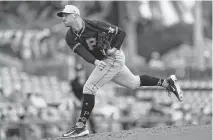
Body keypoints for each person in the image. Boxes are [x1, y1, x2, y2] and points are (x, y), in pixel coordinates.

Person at [56, 5, 183, 138]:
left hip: (112, 58)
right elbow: (82, 52)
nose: (63, 18)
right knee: (133, 82)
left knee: (89, 87)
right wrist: (95, 61)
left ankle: (81, 126)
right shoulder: (69, 37)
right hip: (103, 61)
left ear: (75, 15)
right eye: (62, 15)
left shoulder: (95, 25)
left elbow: (121, 33)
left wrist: (114, 48)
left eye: (66, 15)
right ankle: (167, 83)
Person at [69, 64, 96, 133]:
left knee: (91, 118)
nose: (79, 73)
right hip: (77, 103)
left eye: (80, 71)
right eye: (77, 71)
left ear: (83, 71)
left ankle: (95, 133)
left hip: (87, 102)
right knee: (75, 118)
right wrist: (76, 101)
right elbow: (71, 93)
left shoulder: (89, 80)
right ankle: (75, 133)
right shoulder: (73, 82)